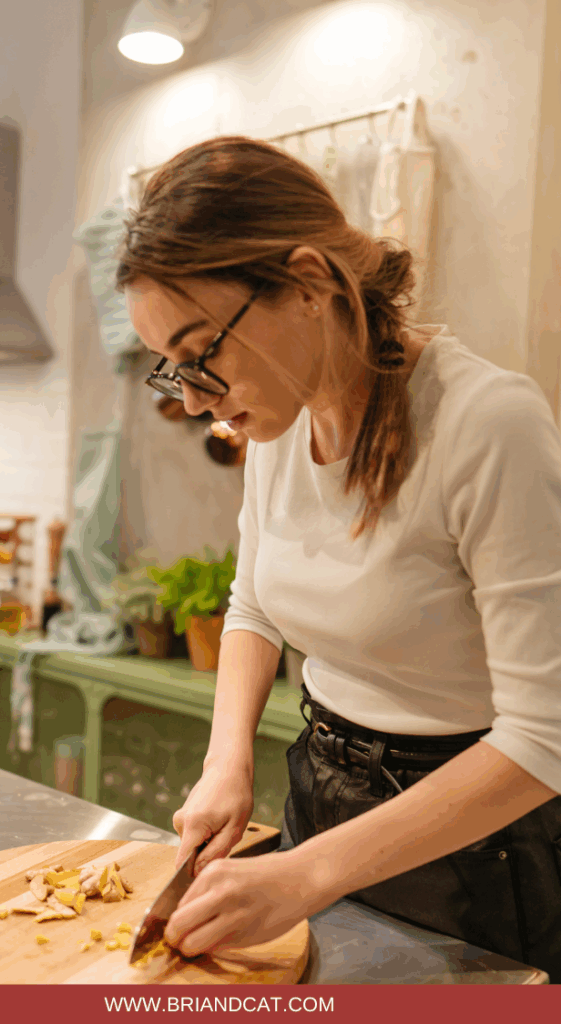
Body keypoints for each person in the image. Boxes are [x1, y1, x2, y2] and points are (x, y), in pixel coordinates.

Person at [116, 136, 561, 981]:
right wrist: (226, 762)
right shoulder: (281, 414)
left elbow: (546, 738)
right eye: (172, 369)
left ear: (309, 284)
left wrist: (304, 872)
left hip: (475, 839)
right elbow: (252, 605)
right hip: (321, 783)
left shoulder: (485, 423)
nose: (195, 397)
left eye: (203, 352)